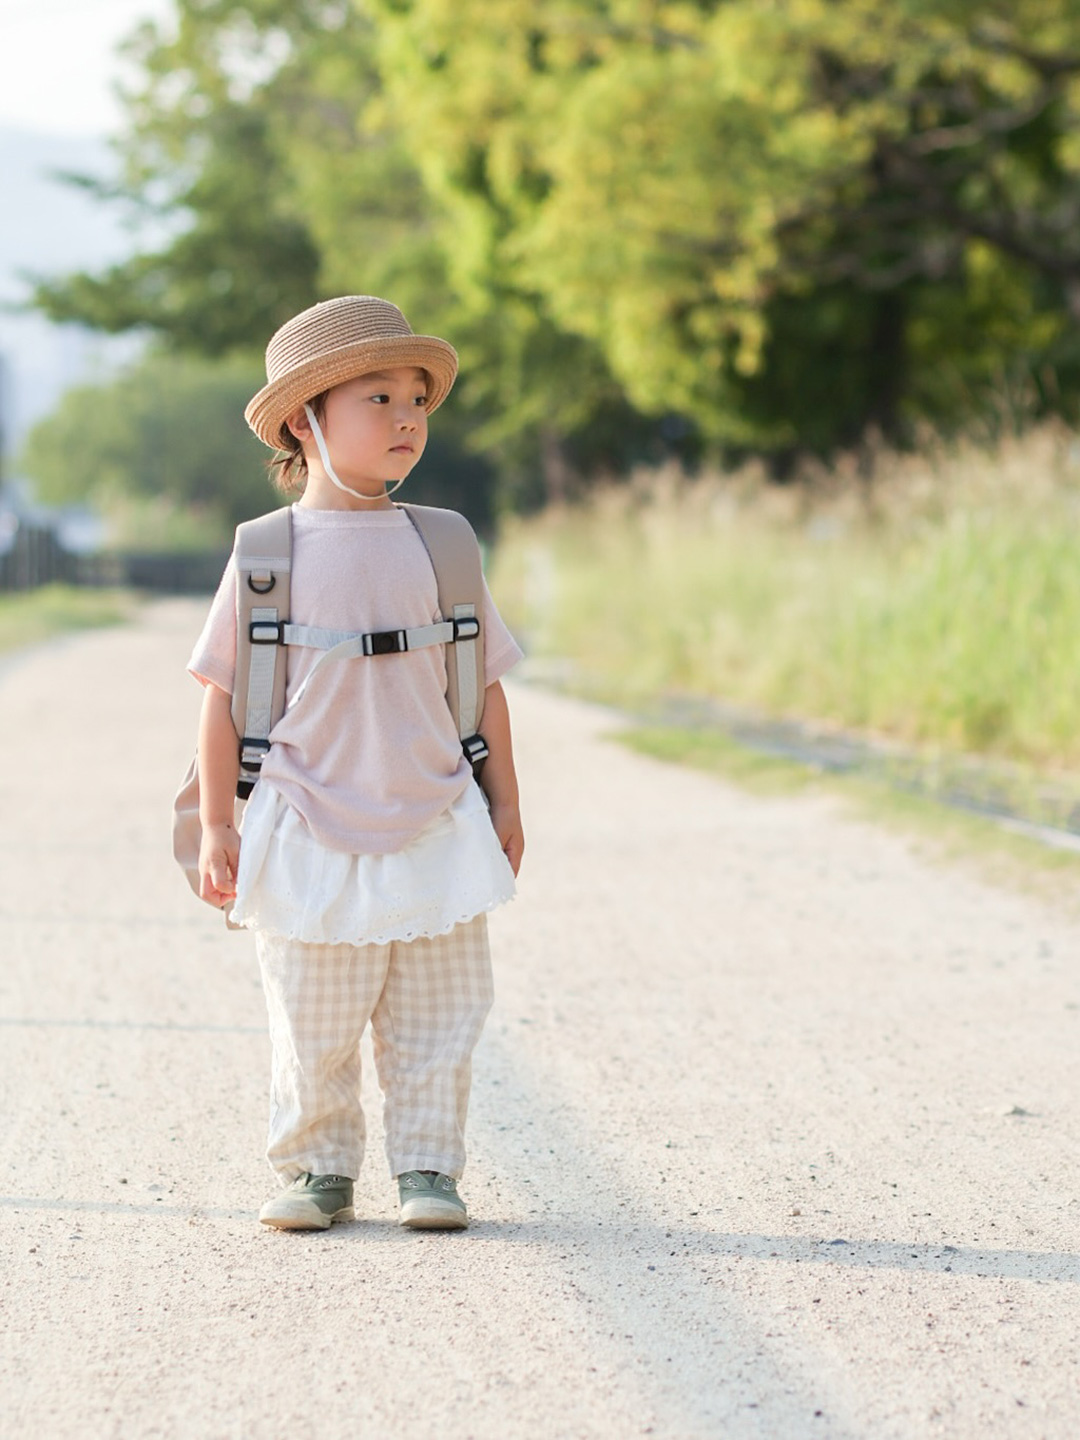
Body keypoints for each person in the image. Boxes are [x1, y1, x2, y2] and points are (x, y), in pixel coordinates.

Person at [187, 295, 524, 1233]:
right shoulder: (268, 553)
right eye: (379, 398)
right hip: (307, 822)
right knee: (312, 1018)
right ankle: (316, 1170)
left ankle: (428, 1169)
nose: (407, 417)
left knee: (441, 1015)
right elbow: (219, 696)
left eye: (416, 399)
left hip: (435, 818)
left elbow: (484, 684)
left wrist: (505, 802)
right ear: (305, 420)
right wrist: (216, 823)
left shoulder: (442, 543)